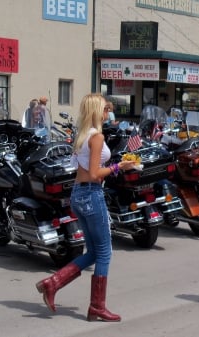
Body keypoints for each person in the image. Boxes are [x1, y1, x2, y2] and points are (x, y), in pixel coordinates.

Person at [35, 93, 136, 322]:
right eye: (104, 109)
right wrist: (120, 166)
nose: (107, 113)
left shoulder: (82, 135)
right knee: (105, 253)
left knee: (93, 252)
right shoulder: (97, 137)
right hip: (91, 193)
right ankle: (97, 307)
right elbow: (94, 174)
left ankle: (53, 283)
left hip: (78, 194)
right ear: (96, 111)